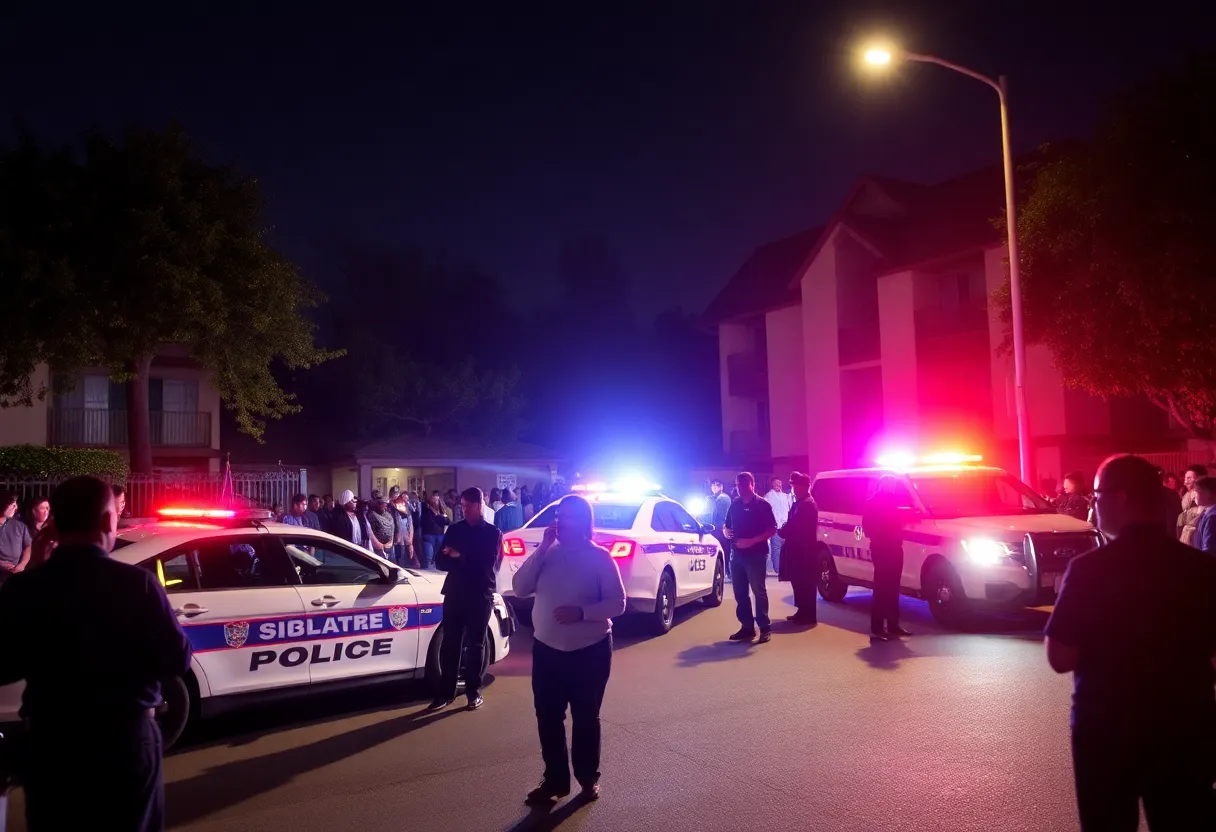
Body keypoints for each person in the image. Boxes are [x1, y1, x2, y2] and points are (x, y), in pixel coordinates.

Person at [0, 475, 192, 831]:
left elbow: (4, 665)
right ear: (107, 522)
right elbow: (176, 660)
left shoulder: (25, 589)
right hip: (126, 741)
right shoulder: (138, 585)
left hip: (52, 745)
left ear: (54, 523)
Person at [1045, 454, 1216, 831]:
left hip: (1105, 730)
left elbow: (1059, 656)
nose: (1094, 503)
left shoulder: (1089, 569)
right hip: (1186, 728)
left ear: (1120, 498)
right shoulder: (1201, 569)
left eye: (1097, 495)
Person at [512, 494, 626, 805]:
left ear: (584, 521)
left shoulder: (600, 557)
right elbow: (520, 587)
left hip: (590, 650)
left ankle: (587, 779)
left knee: (586, 717)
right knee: (547, 716)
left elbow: (618, 603)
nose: (562, 522)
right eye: (559, 516)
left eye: (570, 516)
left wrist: (582, 613)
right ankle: (555, 780)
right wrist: (542, 550)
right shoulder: (547, 554)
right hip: (547, 650)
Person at [429, 487, 502, 712]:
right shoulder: (455, 530)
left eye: (468, 505)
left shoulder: (492, 533)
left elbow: (485, 565)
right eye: (462, 505)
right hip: (455, 592)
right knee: (451, 643)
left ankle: (473, 691)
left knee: (476, 644)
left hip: (480, 594)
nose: (464, 509)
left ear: (480, 505)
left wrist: (459, 555)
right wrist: (461, 558)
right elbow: (440, 561)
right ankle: (446, 693)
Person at [723, 472, 777, 644]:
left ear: (752, 484)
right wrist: (725, 531)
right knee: (740, 593)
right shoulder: (735, 504)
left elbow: (772, 529)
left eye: (744, 484)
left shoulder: (763, 505)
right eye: (738, 484)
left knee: (758, 592)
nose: (740, 487)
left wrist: (751, 541)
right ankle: (747, 627)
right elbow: (727, 524)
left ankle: (764, 628)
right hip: (736, 556)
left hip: (756, 555)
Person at [862, 476, 912, 641]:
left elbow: (902, 522)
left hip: (896, 548)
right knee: (882, 588)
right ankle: (877, 627)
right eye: (890, 484)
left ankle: (893, 624)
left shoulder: (896, 501)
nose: (893, 487)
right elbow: (867, 527)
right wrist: (880, 538)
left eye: (894, 484)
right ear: (882, 485)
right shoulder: (872, 502)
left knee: (893, 587)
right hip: (881, 549)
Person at [777, 472, 818, 624]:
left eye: (794, 486)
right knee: (798, 582)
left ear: (802, 487)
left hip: (804, 551)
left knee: (805, 582)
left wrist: (781, 531)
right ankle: (802, 611)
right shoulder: (799, 502)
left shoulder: (807, 504)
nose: (793, 489)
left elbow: (794, 525)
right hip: (797, 549)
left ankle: (808, 615)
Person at [762, 476, 793, 574]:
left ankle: (785, 568)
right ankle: (778, 569)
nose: (778, 485)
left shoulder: (786, 496)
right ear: (772, 485)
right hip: (775, 526)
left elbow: (791, 509)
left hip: (786, 525)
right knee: (776, 548)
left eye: (779, 483)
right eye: (776, 483)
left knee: (786, 548)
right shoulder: (768, 496)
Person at [0, 493, 32, 584]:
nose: (16, 508)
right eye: (13, 505)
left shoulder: (20, 526)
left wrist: (22, 565)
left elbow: (28, 546)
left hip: (14, 576)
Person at [1178, 464, 1208, 544]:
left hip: (1198, 534)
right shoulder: (1187, 494)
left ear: (1199, 479)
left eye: (1189, 478)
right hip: (1186, 534)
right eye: (1185, 478)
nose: (1185, 482)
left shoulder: (1203, 495)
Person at [420, 492, 451, 569]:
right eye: (434, 499)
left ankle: (433, 570)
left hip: (439, 535)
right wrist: (440, 518)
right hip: (429, 535)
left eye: (437, 500)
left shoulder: (441, 511)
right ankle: (425, 571)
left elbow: (447, 521)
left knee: (436, 556)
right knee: (428, 556)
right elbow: (429, 521)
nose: (435, 501)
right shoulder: (426, 510)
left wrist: (440, 517)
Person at [366, 495, 397, 561]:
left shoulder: (389, 515)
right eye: (382, 504)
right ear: (377, 504)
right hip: (378, 547)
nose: (384, 506)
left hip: (390, 546)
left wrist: (390, 542)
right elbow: (371, 532)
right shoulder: (372, 515)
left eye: (385, 504)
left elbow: (392, 528)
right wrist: (380, 545)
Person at [1191, 476, 1216, 554]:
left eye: (1197, 490)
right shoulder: (1206, 513)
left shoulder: (1212, 517)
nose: (1193, 495)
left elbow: (1209, 549)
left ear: (1211, 493)